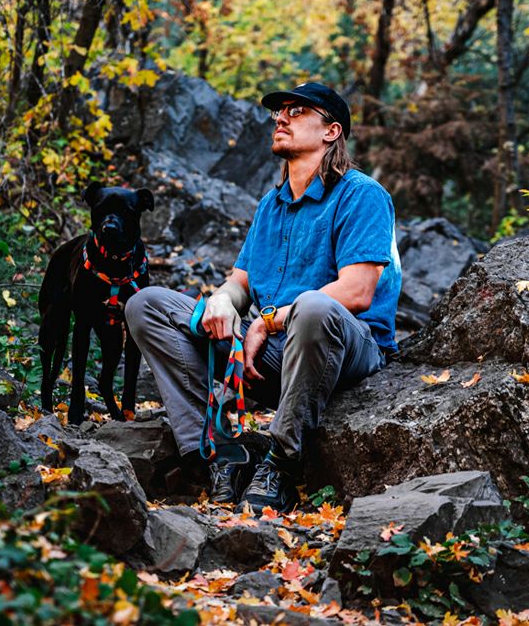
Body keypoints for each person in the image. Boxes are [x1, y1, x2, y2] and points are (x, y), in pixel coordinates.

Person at [125, 82, 401, 513]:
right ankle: (218, 454)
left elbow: (357, 291)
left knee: (314, 307)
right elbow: (241, 283)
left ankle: (282, 461)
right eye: (278, 113)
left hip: (347, 355)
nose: (280, 118)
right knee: (149, 304)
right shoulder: (271, 206)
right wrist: (221, 300)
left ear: (330, 131)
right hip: (273, 356)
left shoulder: (362, 195)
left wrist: (265, 321)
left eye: (296, 111)